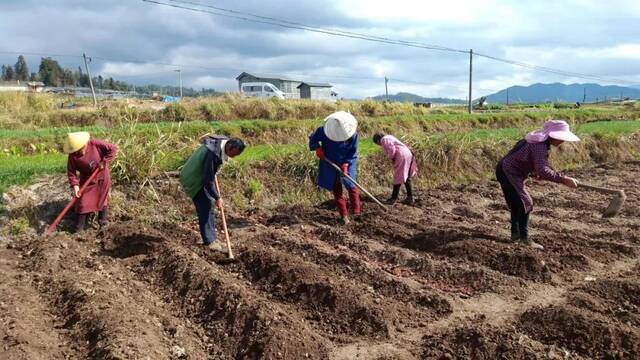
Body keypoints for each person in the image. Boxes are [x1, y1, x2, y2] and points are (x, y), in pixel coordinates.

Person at [496, 120, 579, 250]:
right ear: (552, 135)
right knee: (526, 202)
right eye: (560, 137)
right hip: (509, 172)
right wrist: (564, 179)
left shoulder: (536, 140)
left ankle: (515, 234)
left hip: (506, 170)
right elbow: (543, 169)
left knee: (517, 203)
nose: (562, 141)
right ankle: (524, 239)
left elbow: (527, 159)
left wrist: (535, 172)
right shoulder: (540, 145)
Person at [180, 135, 245, 251]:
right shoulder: (213, 154)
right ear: (229, 147)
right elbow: (207, 180)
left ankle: (212, 238)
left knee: (208, 203)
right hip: (192, 178)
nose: (233, 157)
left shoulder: (222, 143)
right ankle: (209, 241)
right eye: (234, 154)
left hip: (200, 174)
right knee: (206, 204)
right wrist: (217, 197)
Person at [309, 111, 360, 224]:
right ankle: (344, 216)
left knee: (351, 186)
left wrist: (346, 164)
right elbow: (313, 139)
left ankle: (356, 213)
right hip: (329, 162)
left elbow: (353, 152)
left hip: (347, 161)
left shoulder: (353, 134)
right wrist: (317, 148)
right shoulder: (324, 130)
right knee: (336, 188)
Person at [64, 132, 117, 232]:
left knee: (102, 198)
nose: (79, 152)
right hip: (87, 179)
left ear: (84, 144)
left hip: (102, 176)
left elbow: (112, 148)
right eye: (76, 150)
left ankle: (103, 223)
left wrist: (103, 161)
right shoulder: (73, 156)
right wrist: (75, 186)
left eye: (80, 149)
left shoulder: (94, 144)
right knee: (83, 203)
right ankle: (78, 230)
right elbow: (71, 172)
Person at [373, 133, 417, 204]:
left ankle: (393, 199)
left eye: (378, 144)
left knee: (398, 177)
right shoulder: (390, 137)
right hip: (408, 153)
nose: (380, 145)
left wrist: (391, 158)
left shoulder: (384, 140)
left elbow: (391, 150)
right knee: (406, 178)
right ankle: (410, 197)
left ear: (378, 140)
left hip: (401, 156)